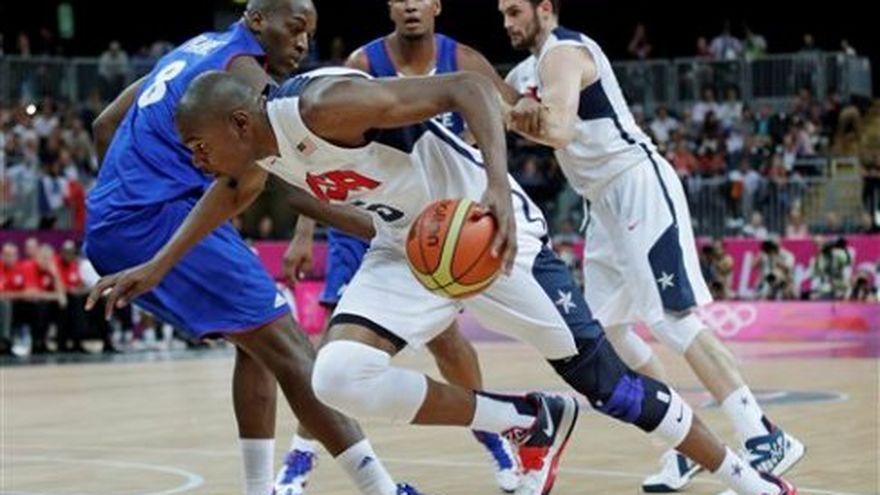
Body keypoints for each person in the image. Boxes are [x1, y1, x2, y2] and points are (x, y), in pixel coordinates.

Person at [104, 57, 796, 495]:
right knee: (336, 374)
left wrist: (497, 190)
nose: (193, 158)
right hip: (410, 247)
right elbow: (229, 191)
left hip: (485, 233)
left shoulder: (322, 108)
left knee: (610, 386)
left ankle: (751, 481)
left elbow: (467, 88)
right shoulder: (254, 148)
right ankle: (528, 418)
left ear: (236, 121)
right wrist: (157, 265)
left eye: (197, 145)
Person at [82, 1, 423, 494]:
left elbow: (105, 124)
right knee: (292, 349)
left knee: (259, 348)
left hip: (122, 215)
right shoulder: (245, 78)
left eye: (310, 33)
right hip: (155, 220)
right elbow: (269, 186)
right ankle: (382, 489)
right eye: (296, 28)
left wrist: (126, 198)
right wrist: (391, 230)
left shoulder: (201, 46)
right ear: (258, 20)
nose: (303, 43)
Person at [500, 0, 802, 492]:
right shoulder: (524, 72)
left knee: (672, 319)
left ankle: (763, 435)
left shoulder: (565, 52)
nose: (507, 23)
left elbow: (556, 129)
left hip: (636, 182)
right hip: (600, 202)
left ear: (545, 8)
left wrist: (510, 113)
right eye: (502, 14)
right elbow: (488, 102)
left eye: (515, 11)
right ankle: (683, 446)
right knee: (607, 330)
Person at [280, 0, 522, 491]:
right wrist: (304, 232)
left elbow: (512, 112)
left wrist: (523, 118)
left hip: (436, 224)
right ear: (390, 7)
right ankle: (300, 455)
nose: (411, 4)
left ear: (436, 6)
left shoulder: (464, 61)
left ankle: (492, 433)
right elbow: (316, 155)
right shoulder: (364, 63)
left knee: (447, 342)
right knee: (337, 347)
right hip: (367, 213)